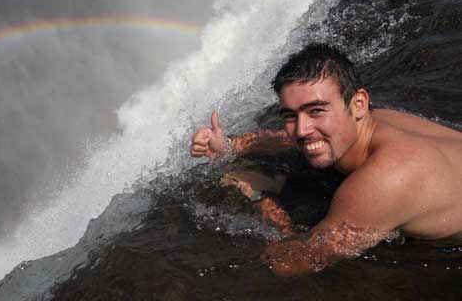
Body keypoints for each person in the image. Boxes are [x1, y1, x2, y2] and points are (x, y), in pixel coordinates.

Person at [191, 43, 462, 276]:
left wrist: (262, 198)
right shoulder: (379, 121)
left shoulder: (382, 182)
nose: (301, 129)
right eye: (290, 115)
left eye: (316, 110)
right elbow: (293, 139)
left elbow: (292, 262)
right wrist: (230, 146)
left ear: (358, 104)